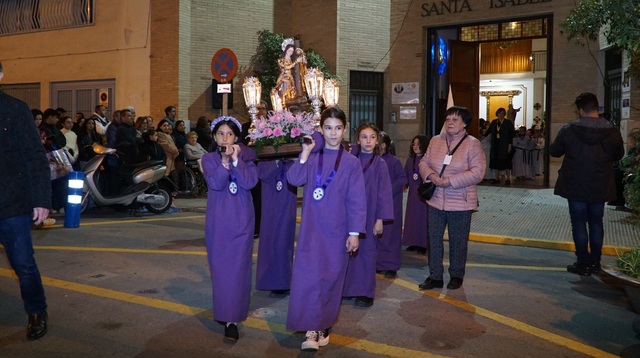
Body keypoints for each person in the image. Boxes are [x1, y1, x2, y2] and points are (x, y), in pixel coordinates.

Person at [286, 107, 366, 351]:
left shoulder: (351, 162)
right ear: (321, 129)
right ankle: (312, 329)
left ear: (344, 130)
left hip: (337, 231)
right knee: (309, 279)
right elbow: (293, 180)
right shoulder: (311, 158)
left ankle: (324, 324)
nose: (333, 133)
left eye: (338, 128)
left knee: (331, 279)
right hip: (312, 231)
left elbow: (357, 199)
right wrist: (304, 152)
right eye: (328, 128)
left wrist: (354, 233)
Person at [0, 62, 51, 340]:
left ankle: (36, 310)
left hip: (12, 202)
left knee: (23, 263)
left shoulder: (16, 110)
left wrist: (41, 199)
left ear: (1, 76)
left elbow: (35, 156)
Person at [549, 92, 624, 276]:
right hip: (600, 184)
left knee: (579, 223)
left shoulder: (569, 130)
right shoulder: (612, 131)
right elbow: (619, 155)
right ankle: (595, 262)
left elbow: (555, 151)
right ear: (596, 108)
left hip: (576, 185)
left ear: (580, 110)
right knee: (596, 223)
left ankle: (583, 262)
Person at [201, 116, 258, 342]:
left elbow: (249, 183)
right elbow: (215, 184)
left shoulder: (246, 159)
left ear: (237, 138)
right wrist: (224, 163)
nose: (225, 138)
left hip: (242, 223)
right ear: (215, 137)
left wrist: (235, 161)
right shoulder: (208, 159)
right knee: (221, 271)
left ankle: (232, 319)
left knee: (238, 271)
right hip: (218, 224)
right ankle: (224, 312)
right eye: (221, 134)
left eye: (230, 134)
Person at [418, 106, 485, 290]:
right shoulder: (435, 140)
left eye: (455, 120)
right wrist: (431, 176)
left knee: (458, 240)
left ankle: (456, 275)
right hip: (436, 200)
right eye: (448, 119)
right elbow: (423, 162)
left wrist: (450, 181)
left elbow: (478, 172)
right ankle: (435, 276)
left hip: (461, 202)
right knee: (434, 239)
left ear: (464, 124)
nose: (450, 123)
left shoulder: (472, 144)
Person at [343, 122, 393, 308]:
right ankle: (347, 289)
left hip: (371, 214)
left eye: (372, 137)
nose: (368, 141)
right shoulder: (349, 161)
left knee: (367, 253)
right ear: (357, 139)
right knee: (348, 251)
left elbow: (384, 192)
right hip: (351, 212)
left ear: (377, 140)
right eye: (364, 137)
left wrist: (380, 219)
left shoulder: (380, 164)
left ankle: (365, 291)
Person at [255, 158, 297, 297]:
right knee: (269, 239)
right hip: (269, 202)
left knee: (285, 239)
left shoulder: (293, 161)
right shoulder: (265, 159)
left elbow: (298, 177)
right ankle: (270, 280)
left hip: (287, 200)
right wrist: (278, 161)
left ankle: (284, 280)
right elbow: (263, 175)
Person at [376, 131, 408, 279]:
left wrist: (387, 188)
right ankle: (379, 263)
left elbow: (403, 179)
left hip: (392, 203)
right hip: (376, 204)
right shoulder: (373, 160)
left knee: (391, 235)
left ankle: (391, 265)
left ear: (383, 145)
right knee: (378, 235)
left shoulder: (393, 161)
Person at [402, 135, 430, 255]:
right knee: (412, 219)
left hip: (423, 193)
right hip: (413, 194)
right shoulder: (410, 160)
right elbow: (406, 175)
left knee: (422, 219)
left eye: (418, 144)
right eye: (414, 144)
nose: (416, 147)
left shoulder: (427, 160)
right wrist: (404, 184)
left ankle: (423, 244)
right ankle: (412, 242)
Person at [485, 107, 515, 185]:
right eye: (499, 113)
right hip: (496, 145)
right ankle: (496, 178)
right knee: (496, 162)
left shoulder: (508, 123)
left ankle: (508, 178)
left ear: (504, 114)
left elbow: (511, 134)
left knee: (506, 162)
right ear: (497, 114)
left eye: (502, 113)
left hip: (504, 145)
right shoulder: (494, 122)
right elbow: (488, 132)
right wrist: (481, 136)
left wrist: (510, 145)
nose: (500, 115)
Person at [275, 38, 307, 106]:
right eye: (289, 51)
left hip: (290, 79)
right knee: (284, 93)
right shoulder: (281, 60)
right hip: (284, 78)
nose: (290, 53)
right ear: (285, 50)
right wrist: (296, 62)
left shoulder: (291, 60)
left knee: (292, 94)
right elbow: (286, 67)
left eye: (292, 51)